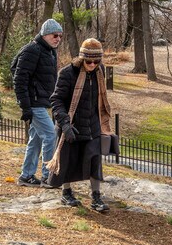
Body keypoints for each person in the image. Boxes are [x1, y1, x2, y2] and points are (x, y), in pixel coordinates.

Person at [46, 38, 112, 212]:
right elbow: (56, 100)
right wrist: (65, 124)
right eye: (88, 60)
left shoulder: (100, 71)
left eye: (96, 61)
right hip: (71, 125)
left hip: (93, 125)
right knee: (67, 160)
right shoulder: (67, 73)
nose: (92, 64)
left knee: (94, 161)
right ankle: (66, 192)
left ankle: (96, 197)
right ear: (82, 58)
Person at [14, 19, 63, 187]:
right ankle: (48, 176)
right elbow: (19, 79)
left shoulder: (50, 51)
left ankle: (26, 176)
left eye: (60, 36)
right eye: (55, 35)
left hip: (42, 102)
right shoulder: (32, 50)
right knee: (50, 135)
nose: (58, 39)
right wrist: (25, 106)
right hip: (33, 103)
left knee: (35, 139)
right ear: (45, 34)